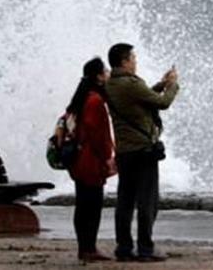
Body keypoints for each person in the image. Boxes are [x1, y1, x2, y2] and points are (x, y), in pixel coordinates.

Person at [105, 43, 178, 262]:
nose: (135, 62)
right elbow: (162, 103)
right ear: (124, 61)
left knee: (125, 201)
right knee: (147, 201)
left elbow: (141, 98)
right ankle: (146, 248)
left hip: (125, 151)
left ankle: (124, 248)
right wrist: (172, 85)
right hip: (143, 151)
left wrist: (161, 83)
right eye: (133, 58)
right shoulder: (131, 83)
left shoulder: (111, 84)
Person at [65, 57, 116, 263]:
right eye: (105, 71)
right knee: (93, 205)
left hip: (77, 159)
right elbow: (99, 136)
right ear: (98, 76)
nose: (108, 74)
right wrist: (107, 157)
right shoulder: (95, 101)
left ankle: (83, 248)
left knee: (82, 204)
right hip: (90, 161)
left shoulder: (81, 97)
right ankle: (89, 248)